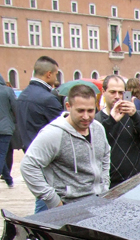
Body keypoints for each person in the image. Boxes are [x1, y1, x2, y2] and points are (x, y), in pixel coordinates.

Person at [21, 83, 111, 213]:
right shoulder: (54, 133)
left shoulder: (98, 128)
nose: (86, 116)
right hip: (69, 208)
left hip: (99, 204)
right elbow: (28, 166)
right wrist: (54, 201)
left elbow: (105, 155)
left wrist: (105, 186)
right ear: (68, 106)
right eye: (80, 111)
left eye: (90, 111)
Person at [95, 74, 140, 188]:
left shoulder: (135, 115)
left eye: (121, 93)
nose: (117, 96)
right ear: (103, 92)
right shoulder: (97, 119)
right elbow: (95, 143)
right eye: (112, 92)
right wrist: (111, 121)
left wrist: (134, 115)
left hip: (135, 182)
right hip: (109, 184)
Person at [16, 55, 63, 150]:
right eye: (56, 74)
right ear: (49, 74)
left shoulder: (22, 95)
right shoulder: (48, 99)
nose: (56, 78)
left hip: (28, 150)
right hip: (45, 152)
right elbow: (63, 128)